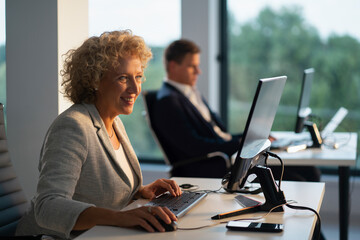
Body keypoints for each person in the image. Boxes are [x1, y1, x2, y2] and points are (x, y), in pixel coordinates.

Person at [15, 30, 182, 239]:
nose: (135, 88)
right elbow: (48, 207)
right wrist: (121, 218)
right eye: (123, 78)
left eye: (138, 77)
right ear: (94, 80)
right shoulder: (73, 126)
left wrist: (140, 192)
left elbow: (97, 188)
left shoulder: (114, 121)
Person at [152, 39, 241, 178]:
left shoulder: (190, 92)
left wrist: (245, 138)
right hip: (208, 168)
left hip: (222, 156)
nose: (198, 71)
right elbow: (194, 146)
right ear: (173, 66)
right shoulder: (168, 101)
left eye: (197, 66)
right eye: (192, 66)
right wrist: (237, 144)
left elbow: (218, 133)